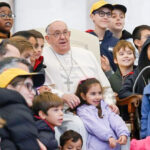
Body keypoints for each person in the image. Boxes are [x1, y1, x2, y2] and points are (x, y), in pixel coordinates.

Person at [43, 20, 117, 150]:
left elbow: (105, 86)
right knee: (78, 125)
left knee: (116, 127)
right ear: (47, 39)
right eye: (57, 34)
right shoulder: (42, 57)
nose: (62, 37)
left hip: (93, 110)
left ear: (69, 34)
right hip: (61, 112)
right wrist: (62, 95)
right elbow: (41, 89)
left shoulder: (86, 55)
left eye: (65, 32)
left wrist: (110, 103)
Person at [74, 78, 129, 150]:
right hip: (97, 147)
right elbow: (95, 126)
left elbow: (116, 119)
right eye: (93, 94)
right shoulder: (83, 111)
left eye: (99, 93)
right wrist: (108, 136)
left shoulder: (105, 106)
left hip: (114, 145)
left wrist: (123, 132)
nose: (97, 97)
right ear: (83, 96)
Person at [0, 67, 45, 150]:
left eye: (33, 87)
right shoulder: (17, 110)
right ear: (10, 88)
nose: (33, 92)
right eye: (28, 86)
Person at [86, 0, 119, 74]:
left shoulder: (116, 42)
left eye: (108, 14)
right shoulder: (85, 39)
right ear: (92, 16)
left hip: (110, 83)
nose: (105, 17)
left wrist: (109, 69)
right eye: (101, 13)